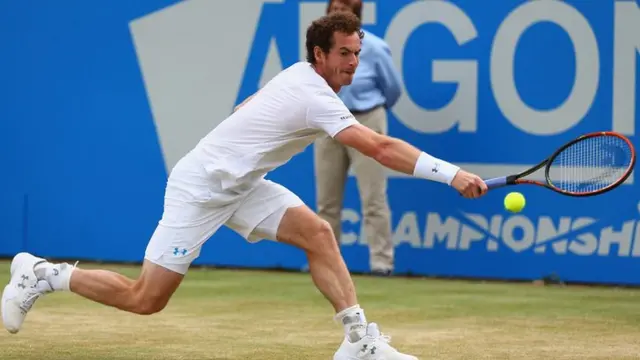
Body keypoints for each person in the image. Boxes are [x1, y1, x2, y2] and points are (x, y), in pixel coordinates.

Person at [1, 12, 487, 360]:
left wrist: (238, 152)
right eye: (344, 54)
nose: (353, 63)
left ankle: (358, 341)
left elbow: (247, 107)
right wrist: (452, 175)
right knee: (145, 299)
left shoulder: (300, 75)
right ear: (319, 54)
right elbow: (379, 147)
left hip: (241, 184)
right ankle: (43, 274)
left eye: (357, 54)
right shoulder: (314, 93)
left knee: (318, 233)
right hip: (200, 188)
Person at [315, 0, 402, 276]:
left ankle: (382, 263)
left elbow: (393, 89)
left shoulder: (374, 48)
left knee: (373, 198)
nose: (336, 13)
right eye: (333, 8)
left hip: (365, 119)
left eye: (343, 9)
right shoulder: (320, 51)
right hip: (328, 123)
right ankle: (329, 265)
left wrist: (371, 114)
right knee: (327, 202)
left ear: (356, 16)